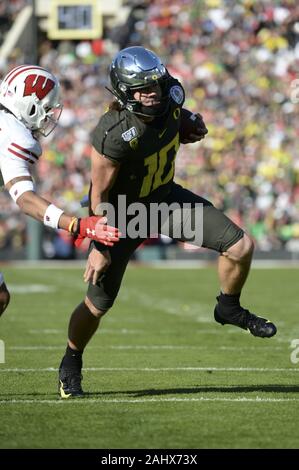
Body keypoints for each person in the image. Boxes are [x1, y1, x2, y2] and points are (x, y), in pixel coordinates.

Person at [57, 46, 277, 398]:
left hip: (164, 201)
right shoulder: (115, 131)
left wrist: (188, 122)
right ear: (125, 93)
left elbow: (177, 116)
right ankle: (71, 363)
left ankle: (228, 308)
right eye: (143, 89)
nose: (153, 93)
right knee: (98, 304)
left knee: (241, 246)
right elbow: (98, 195)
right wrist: (99, 244)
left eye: (156, 84)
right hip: (124, 215)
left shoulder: (170, 97)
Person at [0, 64, 120, 316]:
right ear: (29, 104)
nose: (48, 116)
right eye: (45, 108)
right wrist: (75, 224)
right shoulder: (14, 134)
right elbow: (24, 198)